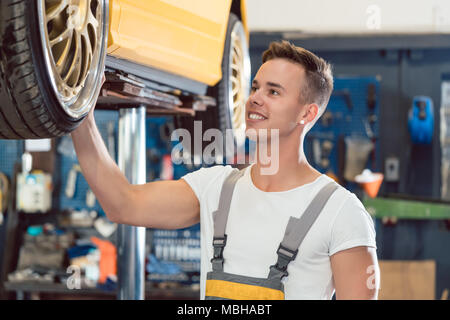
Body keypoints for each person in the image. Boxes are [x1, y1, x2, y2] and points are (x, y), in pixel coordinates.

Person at [71, 40, 379, 300]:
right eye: (255, 87)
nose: (254, 98)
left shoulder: (341, 213)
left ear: (307, 113)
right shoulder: (216, 188)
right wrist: (79, 112)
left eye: (273, 92)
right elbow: (122, 204)